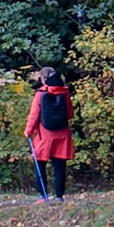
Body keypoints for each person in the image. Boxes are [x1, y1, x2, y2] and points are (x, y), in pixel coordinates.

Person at [26, 67, 74, 202]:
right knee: (59, 166)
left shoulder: (40, 93)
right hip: (62, 135)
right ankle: (59, 197)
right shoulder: (64, 92)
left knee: (40, 164)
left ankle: (43, 196)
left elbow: (34, 115)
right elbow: (70, 114)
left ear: (43, 79)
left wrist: (28, 131)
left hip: (44, 135)